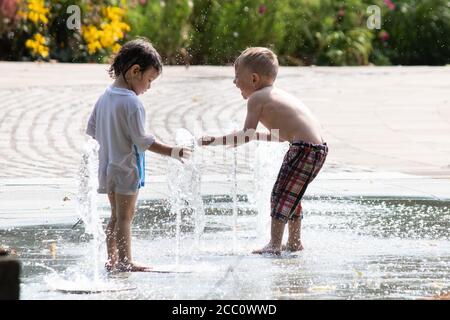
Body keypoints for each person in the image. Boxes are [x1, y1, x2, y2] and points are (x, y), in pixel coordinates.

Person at [198, 47, 328, 255]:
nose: (234, 82)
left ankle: (274, 244)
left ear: (253, 78)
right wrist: (256, 136)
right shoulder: (275, 95)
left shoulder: (257, 99)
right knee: (292, 195)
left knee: (281, 194)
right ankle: (294, 242)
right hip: (316, 148)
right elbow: (280, 135)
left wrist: (215, 141)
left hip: (304, 149)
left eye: (236, 76)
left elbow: (245, 134)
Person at [86, 38, 190, 272]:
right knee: (126, 217)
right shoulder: (132, 103)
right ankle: (125, 261)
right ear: (135, 71)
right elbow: (143, 141)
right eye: (149, 79)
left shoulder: (105, 96)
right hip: (126, 168)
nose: (149, 86)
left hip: (108, 167)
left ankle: (112, 259)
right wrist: (174, 152)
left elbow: (92, 130)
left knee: (115, 215)